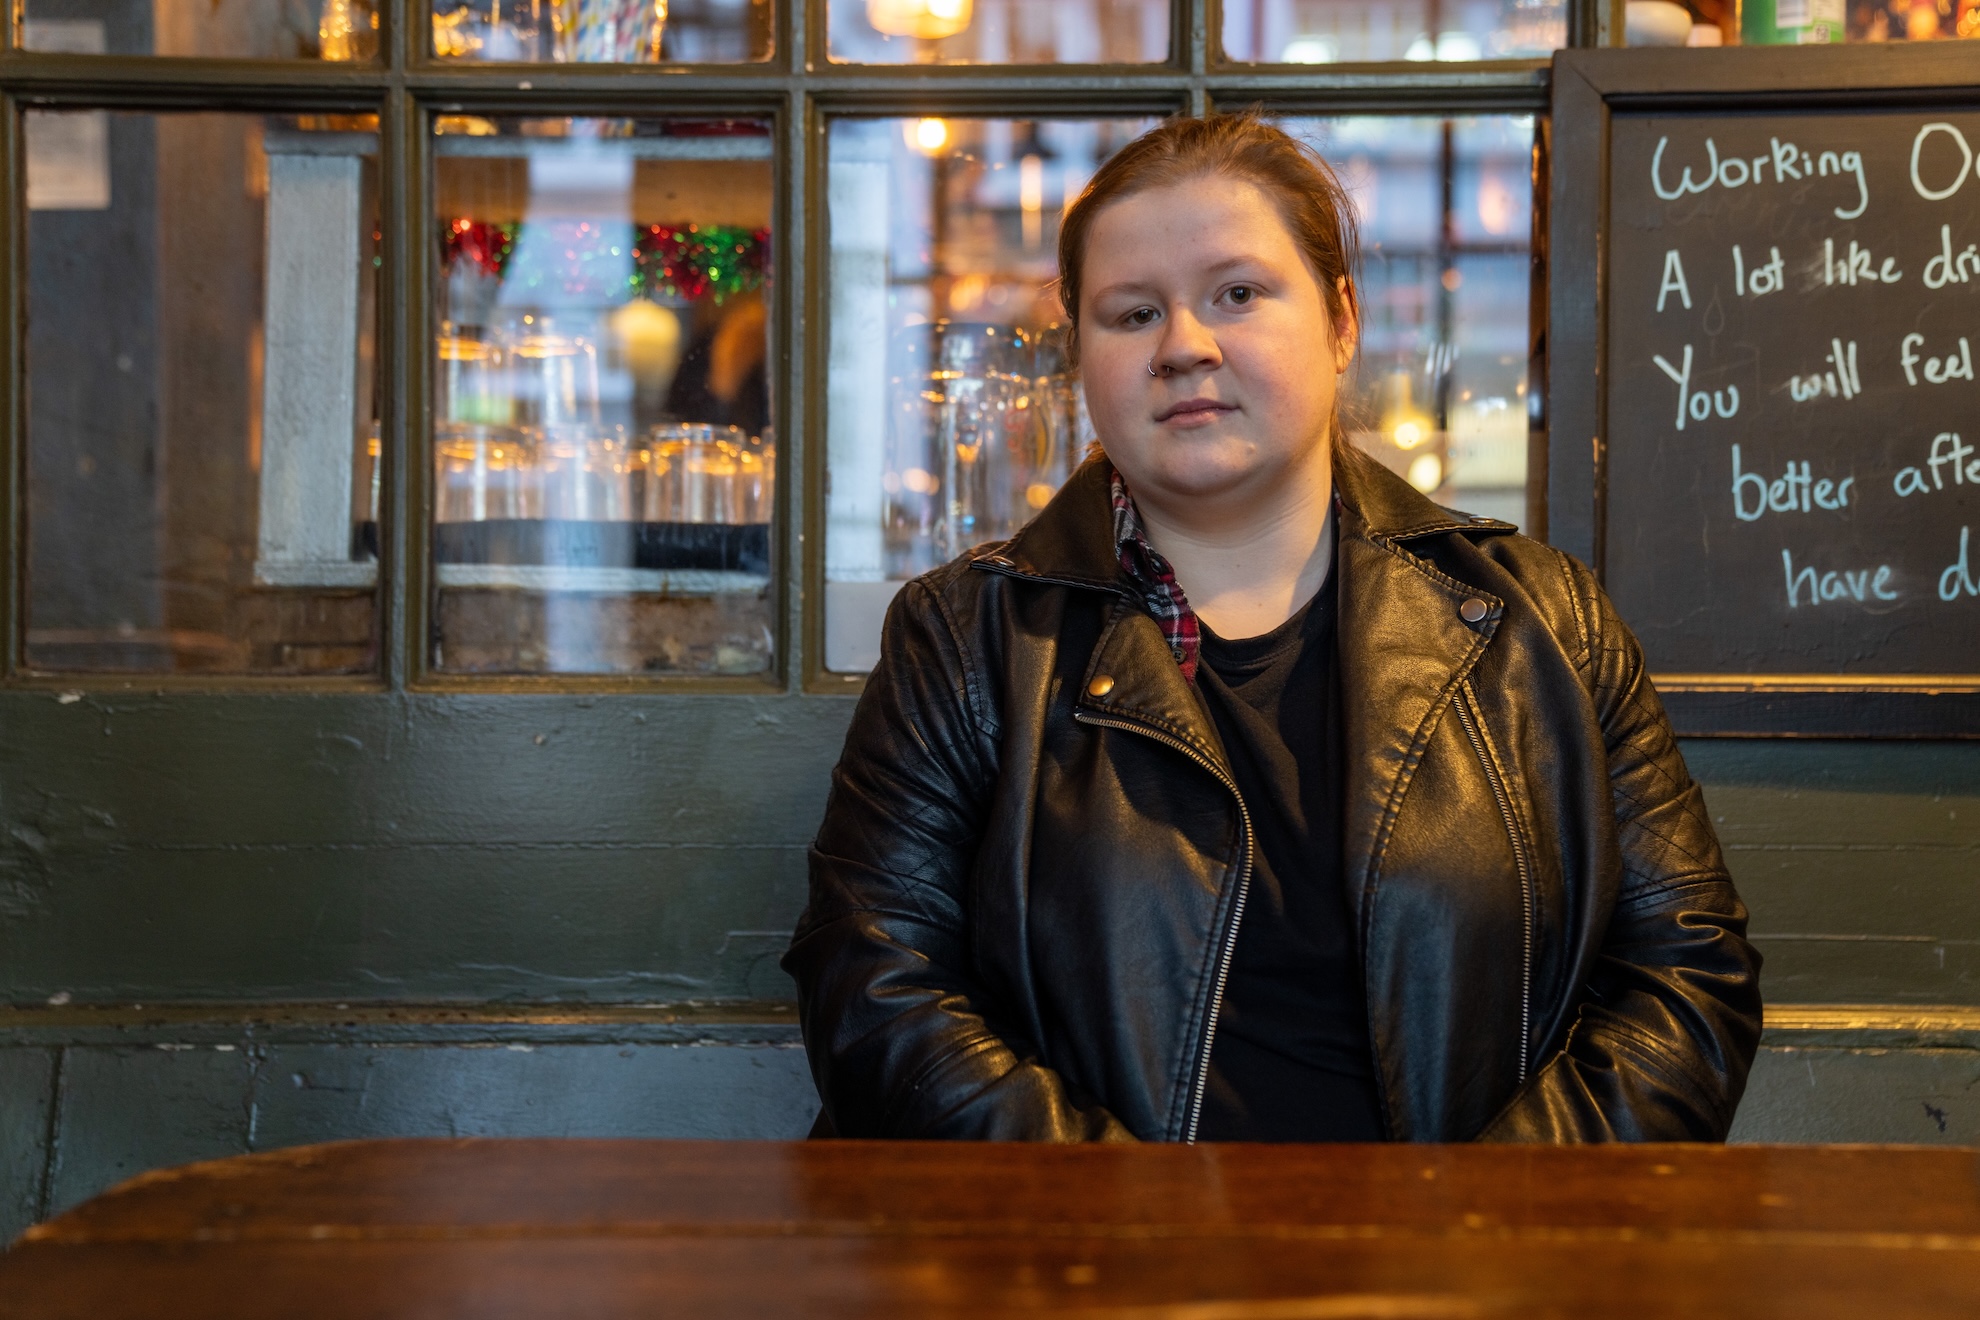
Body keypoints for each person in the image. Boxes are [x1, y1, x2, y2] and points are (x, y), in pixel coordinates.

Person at [783, 112, 1761, 1143]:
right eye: (1131, 314)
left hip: (1469, 1276)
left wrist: (1471, 1231)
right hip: (1088, 1278)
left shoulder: (1543, 621)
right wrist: (1141, 1233)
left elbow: (1688, 982)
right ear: (1082, 356)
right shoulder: (965, 638)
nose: (1185, 347)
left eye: (1237, 294)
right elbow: (872, 985)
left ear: (1340, 320)